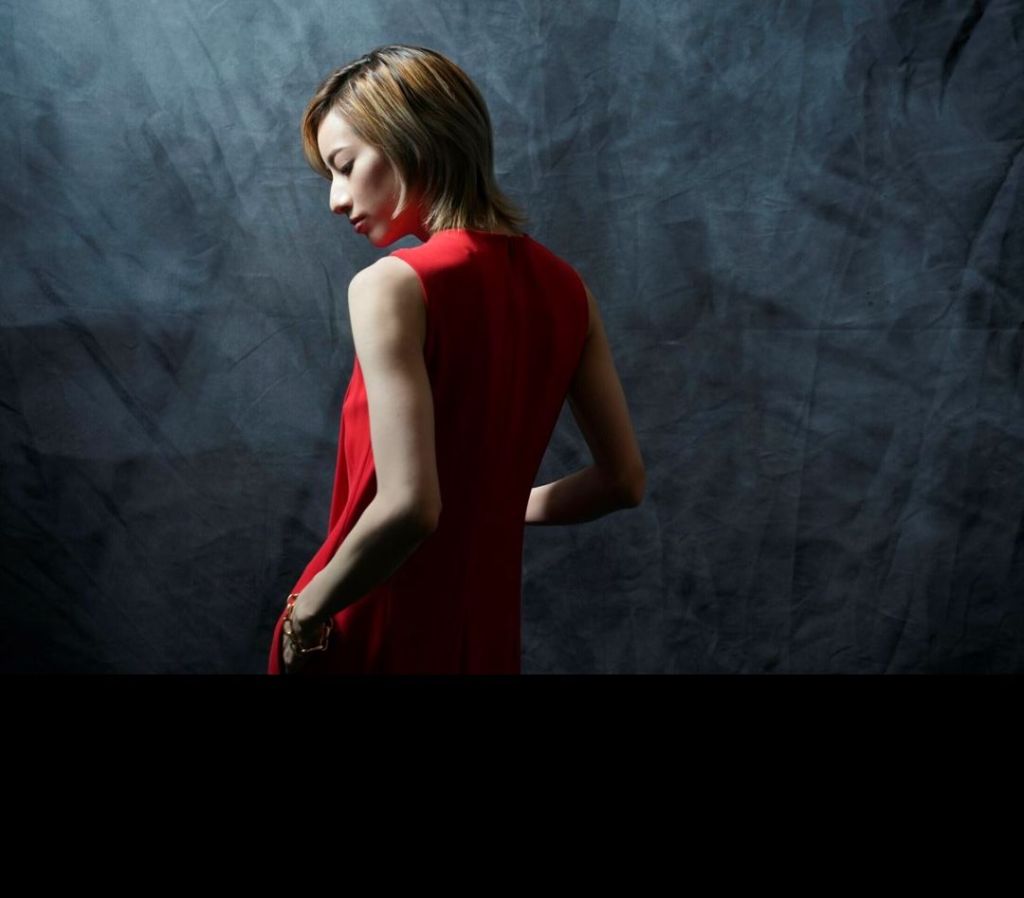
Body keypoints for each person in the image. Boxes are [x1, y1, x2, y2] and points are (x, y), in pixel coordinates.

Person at [267, 44, 645, 675]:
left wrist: (305, 612)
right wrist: (488, 506)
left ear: (412, 139)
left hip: (378, 619)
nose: (335, 198)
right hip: (485, 634)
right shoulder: (568, 290)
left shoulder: (391, 285)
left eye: (345, 165)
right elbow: (623, 481)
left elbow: (411, 506)